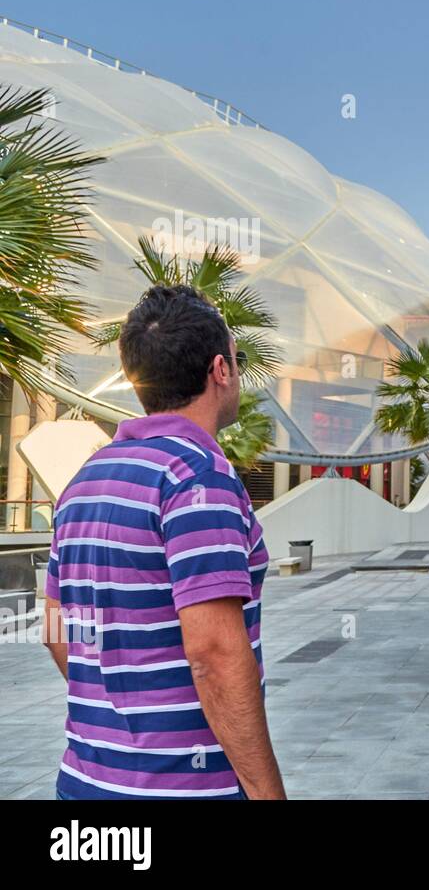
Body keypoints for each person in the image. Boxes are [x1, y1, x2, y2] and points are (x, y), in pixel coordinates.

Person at [41, 285, 285, 800]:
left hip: (85, 783)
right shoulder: (197, 478)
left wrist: (121, 709)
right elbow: (215, 653)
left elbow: (55, 627)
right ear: (221, 370)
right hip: (186, 788)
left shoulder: (86, 478)